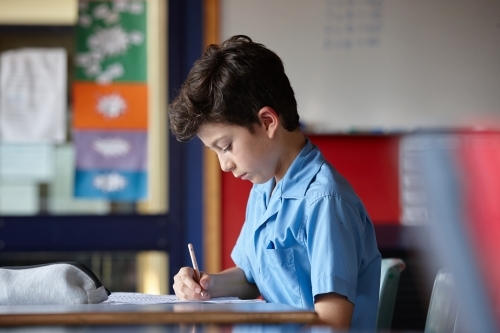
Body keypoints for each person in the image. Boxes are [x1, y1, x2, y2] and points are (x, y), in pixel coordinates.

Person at [169, 35, 381, 331]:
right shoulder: (263, 188)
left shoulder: (324, 201)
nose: (224, 164)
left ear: (268, 122)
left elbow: (331, 324)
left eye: (226, 146)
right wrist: (207, 283)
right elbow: (249, 277)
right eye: (215, 152)